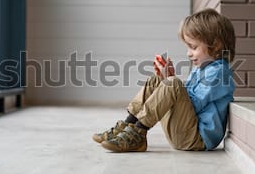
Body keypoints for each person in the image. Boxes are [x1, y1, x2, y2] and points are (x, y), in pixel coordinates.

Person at [92, 8, 236, 152]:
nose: (188, 53)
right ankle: (128, 126)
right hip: (185, 130)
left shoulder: (219, 72)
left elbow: (194, 106)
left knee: (172, 83)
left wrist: (171, 81)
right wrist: (167, 80)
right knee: (156, 80)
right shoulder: (200, 69)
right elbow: (186, 99)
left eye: (193, 47)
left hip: (197, 138)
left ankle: (138, 133)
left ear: (216, 45)